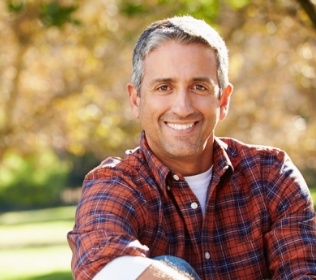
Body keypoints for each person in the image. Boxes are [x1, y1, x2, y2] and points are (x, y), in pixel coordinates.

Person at [67, 15, 316, 279]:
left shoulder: (271, 176)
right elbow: (106, 268)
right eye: (164, 87)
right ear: (136, 99)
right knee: (168, 267)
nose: (183, 108)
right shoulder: (115, 184)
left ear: (223, 101)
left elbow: (303, 272)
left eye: (199, 87)